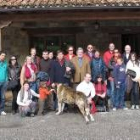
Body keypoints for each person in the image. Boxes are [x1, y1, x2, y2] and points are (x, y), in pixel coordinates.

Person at [0, 51, 8, 116]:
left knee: (2, 97)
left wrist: (6, 80)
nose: (3, 57)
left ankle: (2, 110)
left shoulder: (5, 63)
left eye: (4, 56)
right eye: (2, 55)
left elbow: (6, 73)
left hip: (4, 82)